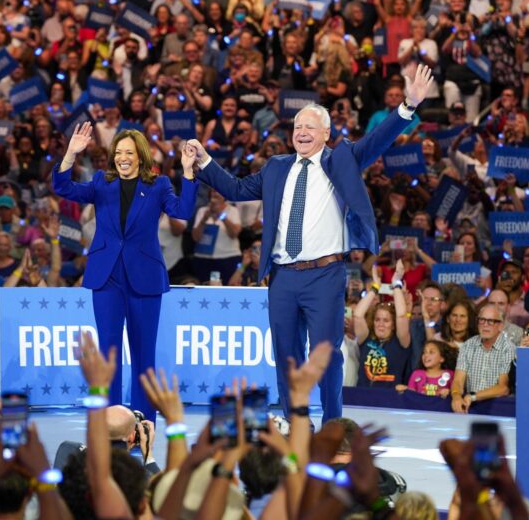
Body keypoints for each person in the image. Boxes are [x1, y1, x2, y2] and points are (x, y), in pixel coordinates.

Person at [185, 64, 434, 421]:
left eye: (309, 127)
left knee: (327, 354)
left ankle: (333, 424)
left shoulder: (341, 159)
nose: (301, 133)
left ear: (326, 132)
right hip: (283, 277)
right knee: (286, 355)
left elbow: (376, 141)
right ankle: (295, 422)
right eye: (297, 127)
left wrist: (407, 108)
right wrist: (205, 161)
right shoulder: (276, 167)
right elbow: (236, 190)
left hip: (325, 275)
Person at [52, 123, 198, 421]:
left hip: (145, 278)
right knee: (108, 353)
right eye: (118, 153)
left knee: (144, 354)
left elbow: (182, 211)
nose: (123, 158)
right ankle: (112, 422)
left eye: (129, 152)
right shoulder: (101, 183)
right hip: (106, 277)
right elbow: (62, 187)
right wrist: (71, 153)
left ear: (141, 156)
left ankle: (143, 422)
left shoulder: (158, 185)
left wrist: (188, 171)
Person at [451, 303, 516, 414]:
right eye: (482, 320)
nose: (485, 325)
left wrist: (473, 396)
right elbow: (458, 380)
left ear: (500, 325)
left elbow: (503, 388)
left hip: (496, 407)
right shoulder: (467, 345)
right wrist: (456, 396)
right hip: (470, 405)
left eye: (490, 321)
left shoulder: (509, 348)